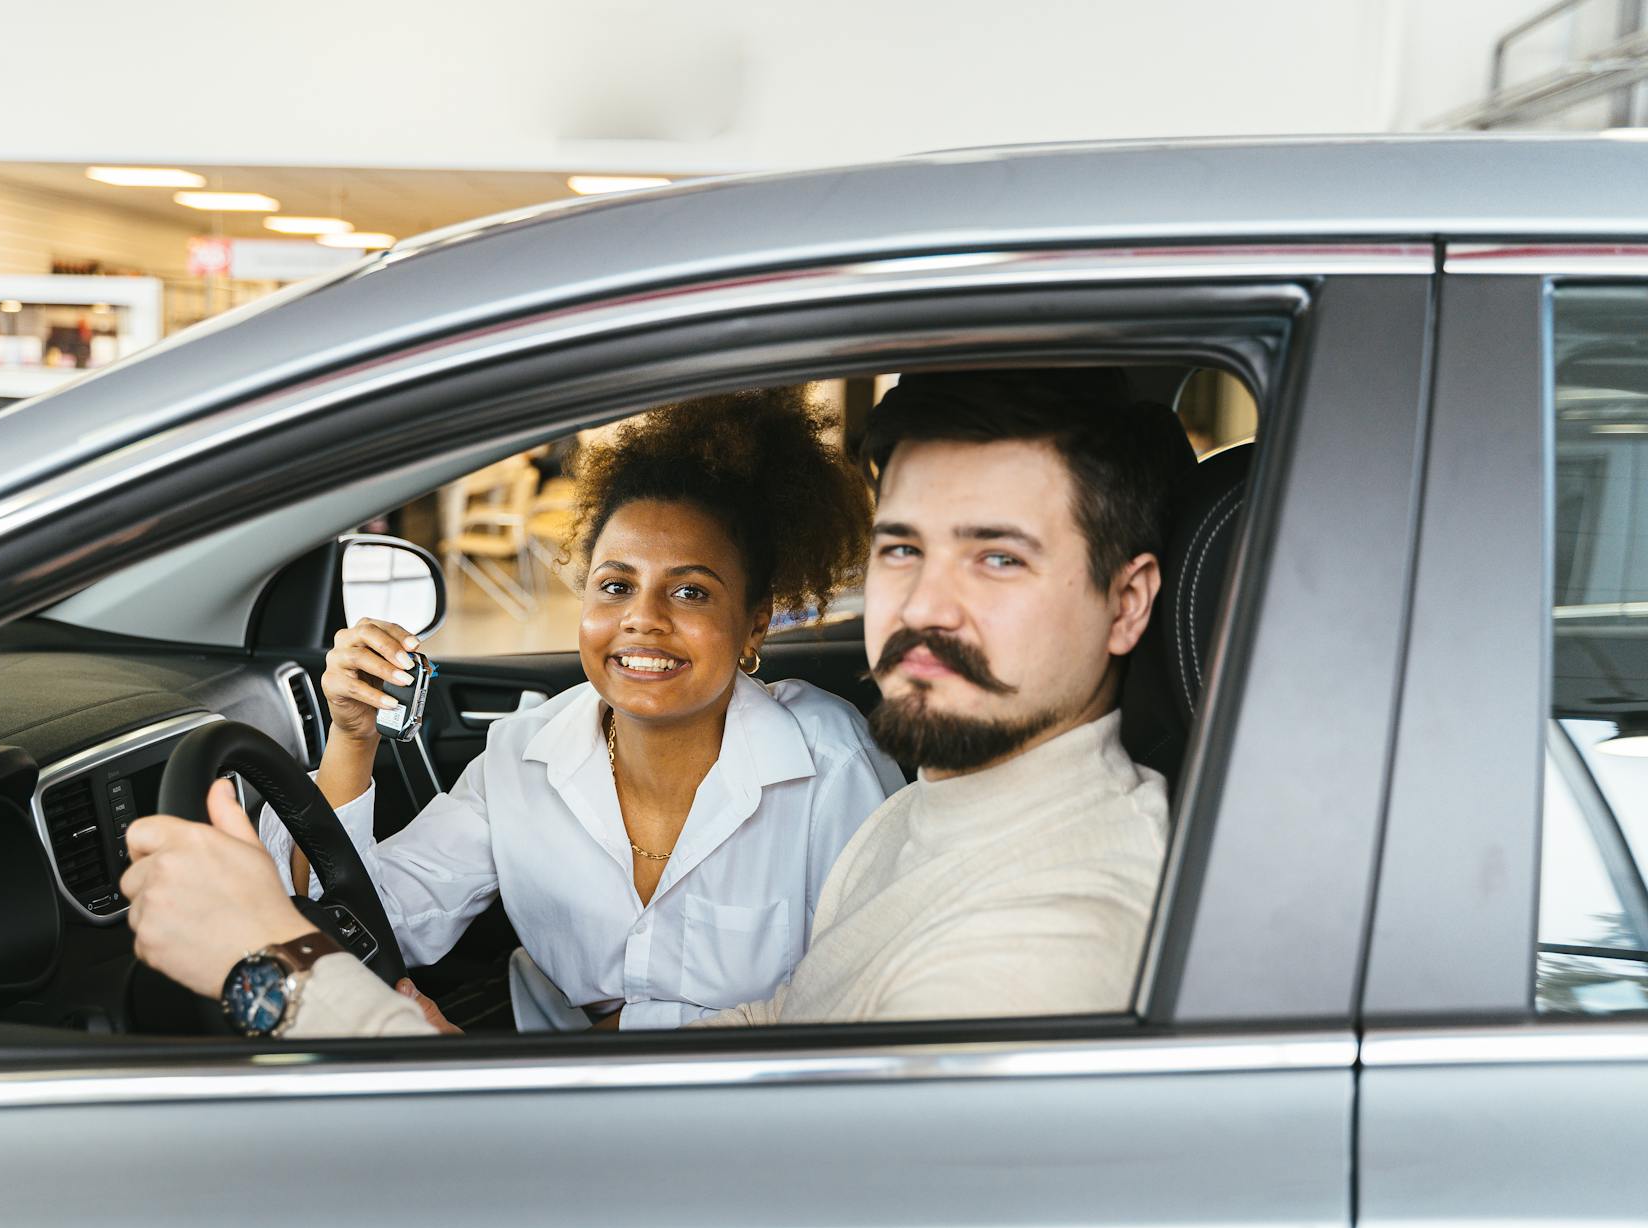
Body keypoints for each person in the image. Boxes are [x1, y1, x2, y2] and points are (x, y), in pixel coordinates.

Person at [122, 368, 1193, 1035]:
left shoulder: (1047, 932)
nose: (924, 606)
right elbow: (802, 1015)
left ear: (1129, 600)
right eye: (903, 549)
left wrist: (278, 971)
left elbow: (706, 1196)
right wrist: (348, 744)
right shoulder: (933, 813)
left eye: (999, 559)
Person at [243, 388, 900, 1031]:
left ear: (755, 625)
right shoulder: (520, 756)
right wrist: (353, 739)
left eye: (692, 592)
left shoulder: (829, 766)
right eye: (615, 586)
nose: (642, 619)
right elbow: (371, 923)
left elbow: (876, 994)